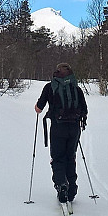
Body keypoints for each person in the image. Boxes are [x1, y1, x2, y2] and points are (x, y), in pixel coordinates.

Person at [35, 63, 88, 204]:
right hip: (74, 129)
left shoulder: (50, 87)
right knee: (70, 157)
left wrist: (40, 108)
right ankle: (72, 191)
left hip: (58, 128)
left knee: (58, 158)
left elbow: (39, 108)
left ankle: (61, 185)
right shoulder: (76, 88)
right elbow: (84, 109)